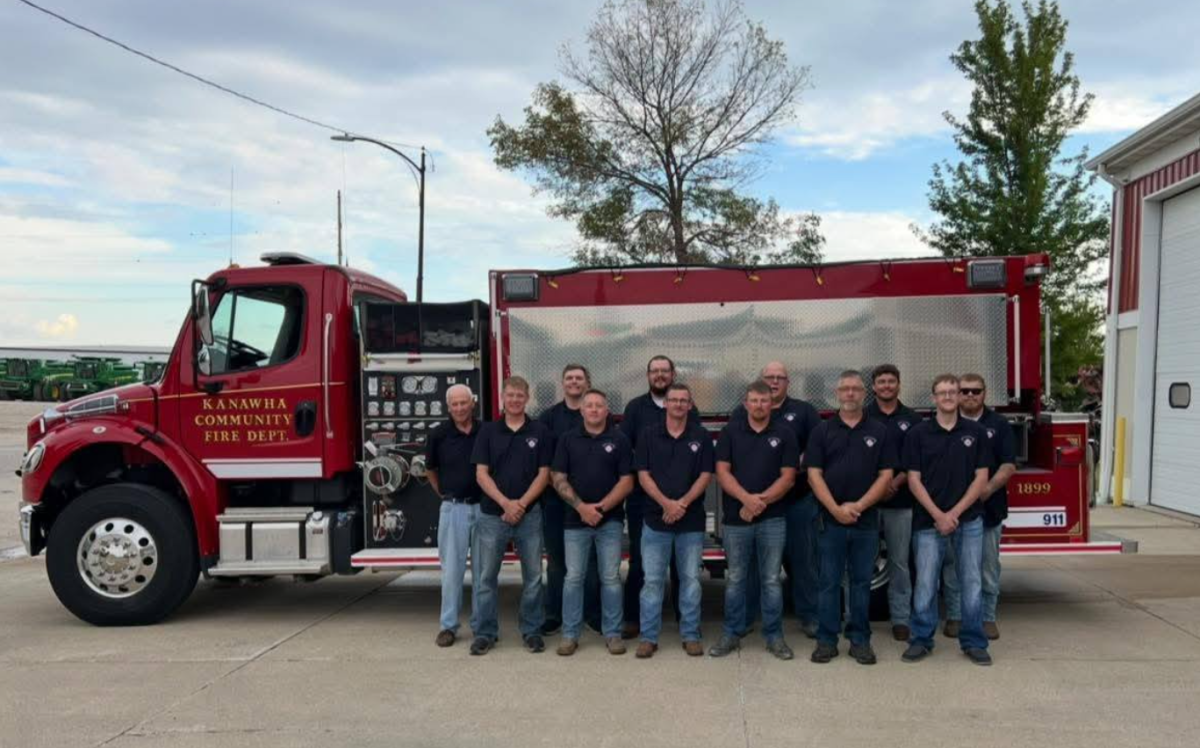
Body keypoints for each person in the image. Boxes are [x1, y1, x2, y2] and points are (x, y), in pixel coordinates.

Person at [902, 374, 992, 666]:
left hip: (969, 521)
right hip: (928, 522)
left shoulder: (975, 432)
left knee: (972, 582)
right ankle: (921, 639)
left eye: (953, 392)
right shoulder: (918, 433)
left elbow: (982, 477)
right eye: (943, 392)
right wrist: (938, 515)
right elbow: (913, 480)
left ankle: (974, 642)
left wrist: (954, 513)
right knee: (926, 584)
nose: (949, 397)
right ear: (933, 398)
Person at [807, 371, 896, 665]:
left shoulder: (879, 431)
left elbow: (886, 475)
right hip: (829, 521)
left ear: (864, 394)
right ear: (837, 393)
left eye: (855, 389)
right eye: (844, 389)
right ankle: (826, 641)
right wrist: (834, 508)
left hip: (866, 522)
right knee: (828, 583)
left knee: (860, 583)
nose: (850, 394)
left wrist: (858, 506)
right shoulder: (822, 431)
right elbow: (813, 473)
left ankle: (860, 641)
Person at [730, 361, 821, 638]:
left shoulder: (804, 412)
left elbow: (818, 448)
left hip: (797, 501)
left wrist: (794, 463)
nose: (774, 381)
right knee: (754, 566)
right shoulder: (740, 413)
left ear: (788, 382)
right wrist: (750, 498)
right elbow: (734, 452)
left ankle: (810, 616)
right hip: (754, 504)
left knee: (804, 561)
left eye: (780, 377)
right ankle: (746, 618)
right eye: (769, 377)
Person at [709, 380, 799, 660]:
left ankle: (774, 636)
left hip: (773, 520)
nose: (759, 405)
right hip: (737, 521)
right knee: (735, 578)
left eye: (764, 401)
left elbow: (788, 477)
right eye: (754, 401)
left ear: (771, 403)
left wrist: (759, 503)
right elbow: (722, 473)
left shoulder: (785, 433)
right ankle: (731, 633)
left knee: (771, 580)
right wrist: (747, 501)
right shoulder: (730, 433)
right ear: (745, 404)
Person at [469, 376, 553, 655]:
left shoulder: (539, 431)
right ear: (502, 398)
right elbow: (481, 473)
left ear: (527, 398)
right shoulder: (488, 432)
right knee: (485, 578)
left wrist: (521, 505)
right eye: (510, 395)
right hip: (492, 516)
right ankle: (485, 632)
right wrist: (506, 503)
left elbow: (545, 474)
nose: (515, 400)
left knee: (532, 577)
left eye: (520, 395)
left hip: (530, 517)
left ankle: (532, 630)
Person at [551, 389, 634, 655]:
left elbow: (627, 481)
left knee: (610, 577)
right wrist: (581, 508)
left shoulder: (619, 439)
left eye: (599, 405)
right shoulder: (567, 439)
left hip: (609, 522)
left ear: (606, 410)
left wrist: (600, 508)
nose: (595, 409)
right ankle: (570, 634)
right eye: (590, 406)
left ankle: (612, 633)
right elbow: (558, 477)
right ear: (582, 410)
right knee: (573, 577)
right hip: (574, 522)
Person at [634, 383, 714, 658]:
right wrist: (666, 504)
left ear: (690, 405)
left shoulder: (701, 436)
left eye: (684, 401)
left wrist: (682, 504)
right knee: (653, 581)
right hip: (656, 521)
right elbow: (643, 475)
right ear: (665, 404)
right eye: (674, 400)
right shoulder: (648, 435)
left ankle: (690, 635)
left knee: (691, 579)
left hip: (690, 522)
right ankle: (648, 637)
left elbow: (705, 475)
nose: (678, 405)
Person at [619, 355, 696, 639]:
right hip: (644, 500)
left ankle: (682, 619)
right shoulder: (635, 408)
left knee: (681, 564)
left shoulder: (689, 407)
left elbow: (695, 449)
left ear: (673, 374)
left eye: (665, 371)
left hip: (682, 502)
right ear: (648, 375)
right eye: (655, 371)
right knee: (640, 561)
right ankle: (633, 618)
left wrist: (678, 501)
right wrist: (659, 497)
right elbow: (627, 450)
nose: (660, 376)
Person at [941, 373, 1017, 641]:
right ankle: (955, 616)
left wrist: (986, 490)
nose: (970, 396)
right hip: (952, 510)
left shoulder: (999, 424)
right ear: (957, 394)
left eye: (976, 391)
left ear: (985, 393)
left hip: (988, 508)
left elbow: (1008, 464)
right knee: (953, 566)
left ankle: (987, 618)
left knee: (986, 567)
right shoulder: (947, 424)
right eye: (965, 391)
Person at [537, 364, 602, 637]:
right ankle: (554, 614)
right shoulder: (548, 417)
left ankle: (592, 615)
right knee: (556, 560)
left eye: (579, 378)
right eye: (569, 378)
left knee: (591, 562)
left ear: (588, 382)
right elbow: (544, 463)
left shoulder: (597, 415)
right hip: (555, 500)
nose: (574, 382)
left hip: (590, 504)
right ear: (562, 383)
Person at [865, 363, 923, 642]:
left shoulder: (912, 419)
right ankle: (857, 618)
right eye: (881, 382)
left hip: (900, 503)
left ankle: (901, 619)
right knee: (859, 562)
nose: (886, 386)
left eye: (891, 381)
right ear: (873, 387)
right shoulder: (864, 417)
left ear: (899, 385)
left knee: (900, 563)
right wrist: (876, 489)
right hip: (868, 504)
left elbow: (915, 461)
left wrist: (895, 483)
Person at [426, 384, 484, 648]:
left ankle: (482, 627)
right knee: (452, 572)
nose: (460, 408)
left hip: (484, 510)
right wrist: (447, 496)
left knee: (484, 572)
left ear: (472, 403)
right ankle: (448, 626)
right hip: (454, 509)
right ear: (448, 407)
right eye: (455, 404)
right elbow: (430, 470)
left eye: (464, 403)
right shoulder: (438, 434)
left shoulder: (487, 431)